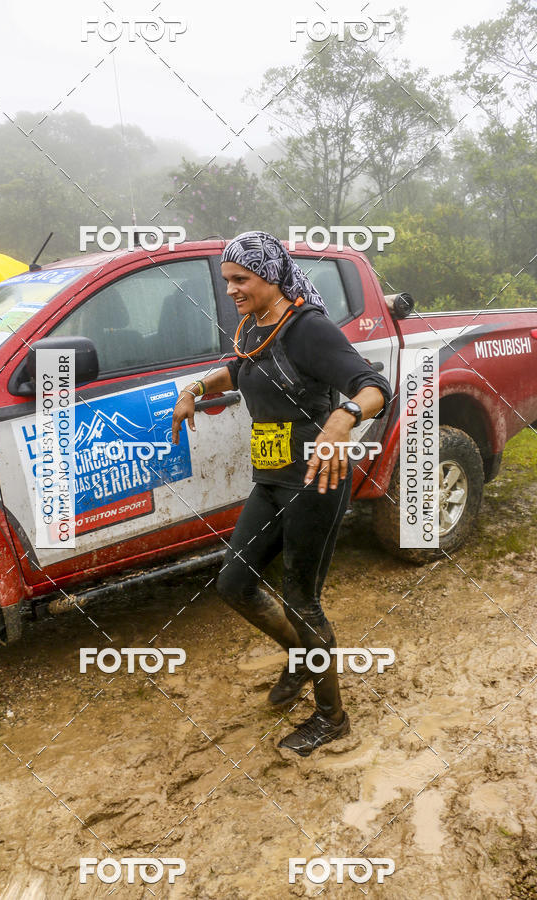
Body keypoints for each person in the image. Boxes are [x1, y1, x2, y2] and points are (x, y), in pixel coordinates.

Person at [171, 231, 393, 756]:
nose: (230, 290)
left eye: (240, 279)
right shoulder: (255, 324)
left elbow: (374, 387)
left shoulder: (308, 329)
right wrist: (195, 389)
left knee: (301, 601)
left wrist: (343, 417)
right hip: (271, 478)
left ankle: (332, 717)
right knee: (234, 583)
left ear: (270, 276)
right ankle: (301, 657)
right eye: (227, 280)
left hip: (316, 481)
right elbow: (242, 367)